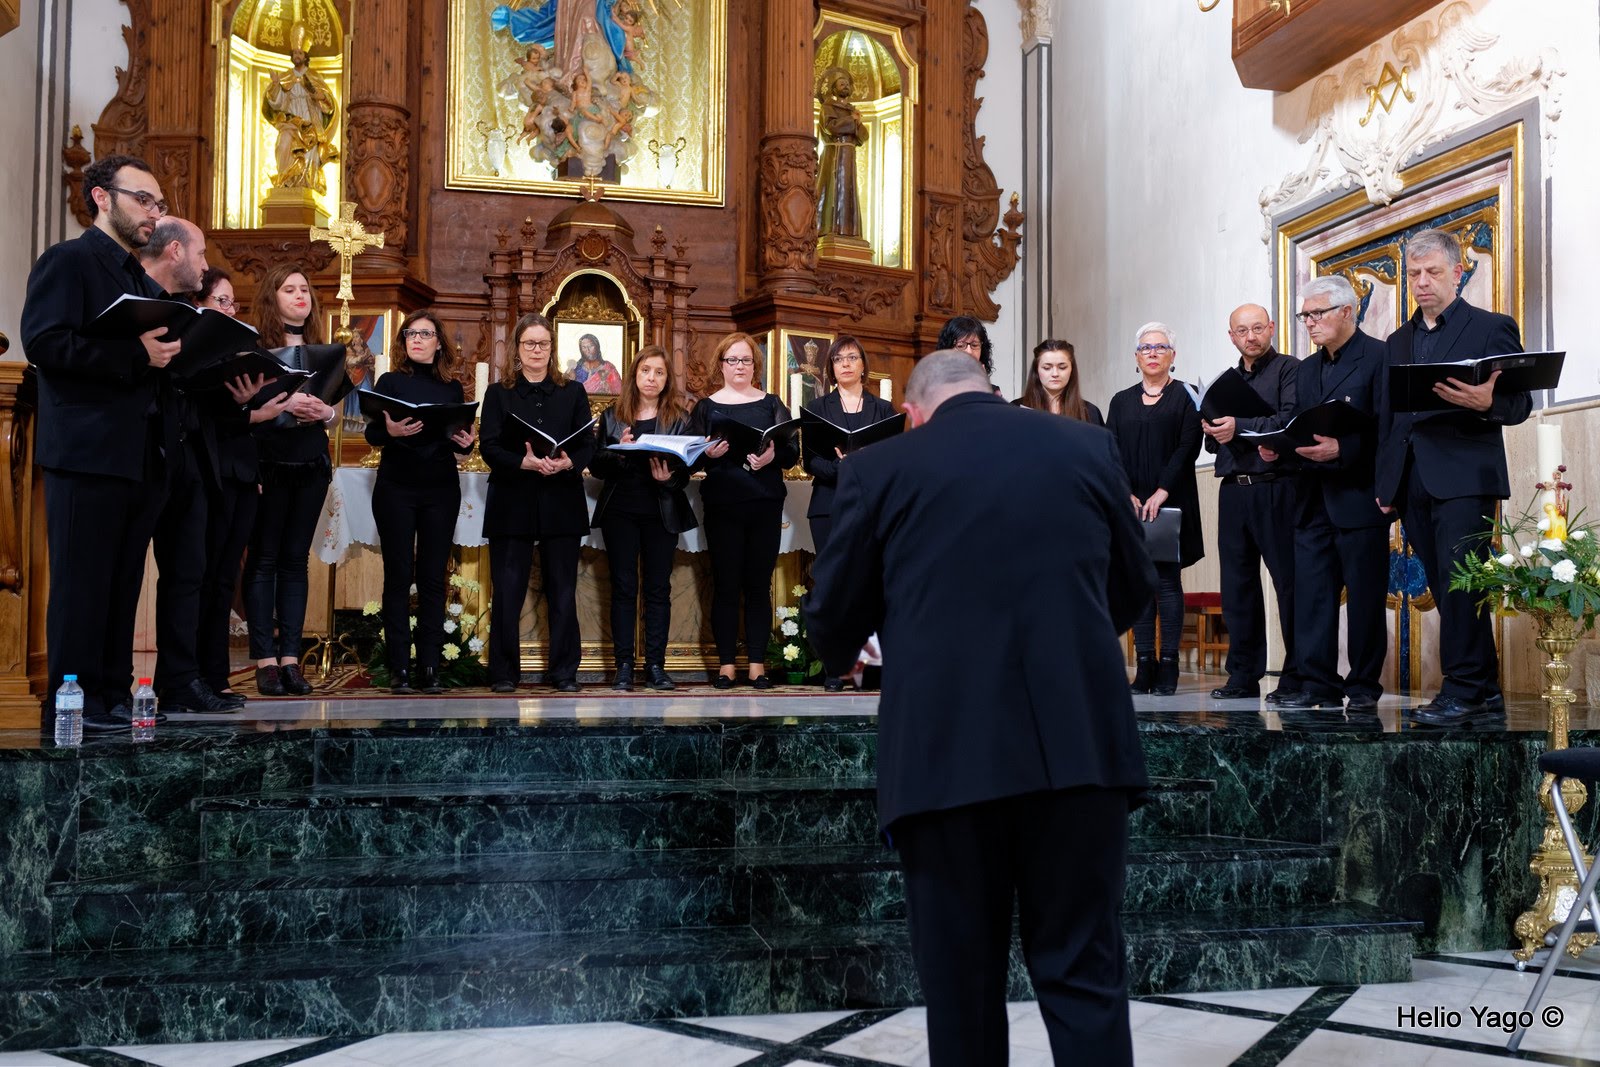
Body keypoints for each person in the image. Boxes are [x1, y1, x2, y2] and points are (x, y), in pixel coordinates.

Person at [804, 350, 1155, 1067]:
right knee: (1085, 972)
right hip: (1080, 749)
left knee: (962, 988)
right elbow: (1134, 585)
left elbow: (831, 623)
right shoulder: (1087, 444)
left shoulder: (882, 467)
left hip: (945, 759)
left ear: (913, 411)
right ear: (993, 391)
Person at [21, 154, 174, 732]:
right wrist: (135, 355)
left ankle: (111, 694)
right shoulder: (69, 261)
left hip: (134, 454)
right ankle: (72, 701)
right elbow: (46, 344)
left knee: (120, 585)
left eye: (158, 204)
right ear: (102, 198)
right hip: (86, 450)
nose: (153, 214)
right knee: (82, 585)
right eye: (143, 200)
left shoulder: (137, 277)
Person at [1375, 228, 1531, 726]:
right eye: (1414, 274)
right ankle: (1482, 687)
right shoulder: (1397, 340)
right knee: (1446, 588)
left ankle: (1461, 690)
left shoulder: (1491, 327)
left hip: (1466, 477)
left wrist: (1491, 403)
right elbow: (1389, 417)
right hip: (1412, 480)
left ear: (1457, 274)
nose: (1422, 282)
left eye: (1433, 272)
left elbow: (1520, 402)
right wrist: (1386, 485)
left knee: (1464, 585)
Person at [1256, 277, 1393, 713]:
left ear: (1348, 312)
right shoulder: (1309, 368)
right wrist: (1278, 448)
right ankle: (1318, 683)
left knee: (1366, 599)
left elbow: (1390, 431)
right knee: (1313, 596)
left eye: (1317, 314)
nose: (1309, 323)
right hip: (1312, 497)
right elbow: (1301, 424)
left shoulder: (1379, 357)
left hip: (1359, 495)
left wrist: (1344, 448)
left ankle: (1364, 686)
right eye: (1305, 315)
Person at [135, 217, 242, 714]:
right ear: (175, 252)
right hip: (142, 450)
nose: (205, 265)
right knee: (125, 572)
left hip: (192, 452)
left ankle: (182, 679)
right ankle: (116, 686)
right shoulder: (136, 297)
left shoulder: (187, 313)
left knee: (189, 574)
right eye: (201, 256)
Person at [480, 312, 595, 693]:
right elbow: (490, 446)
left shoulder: (573, 392)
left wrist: (569, 462)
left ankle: (564, 672)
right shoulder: (499, 393)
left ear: (552, 348)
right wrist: (522, 462)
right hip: (513, 499)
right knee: (508, 589)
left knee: (563, 590)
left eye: (543, 344)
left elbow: (587, 444)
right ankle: (503, 673)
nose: (536, 350)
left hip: (561, 499)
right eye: (529, 343)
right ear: (517, 348)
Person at [365, 310, 475, 694]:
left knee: (432, 579)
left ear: (438, 342)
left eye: (425, 333)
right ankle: (399, 668)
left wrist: (467, 442)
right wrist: (389, 429)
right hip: (396, 487)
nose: (416, 339)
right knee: (398, 577)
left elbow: (460, 435)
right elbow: (372, 434)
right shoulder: (390, 381)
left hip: (440, 488)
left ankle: (430, 667)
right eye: (411, 333)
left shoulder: (452, 389)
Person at [244, 265, 341, 697]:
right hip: (268, 458)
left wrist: (327, 413)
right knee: (264, 558)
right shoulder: (255, 348)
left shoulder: (323, 352)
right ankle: (265, 660)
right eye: (289, 289)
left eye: (304, 289)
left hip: (310, 460)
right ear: (273, 297)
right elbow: (245, 410)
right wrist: (284, 406)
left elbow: (336, 405)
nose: (300, 296)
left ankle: (290, 660)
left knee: (296, 561)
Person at [1201, 303, 1302, 703]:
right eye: (1241, 331)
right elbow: (1212, 441)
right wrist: (1212, 427)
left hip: (1276, 486)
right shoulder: (1224, 384)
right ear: (1231, 336)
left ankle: (1295, 676)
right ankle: (1243, 676)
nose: (1250, 337)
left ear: (1271, 328)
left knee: (1288, 584)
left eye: (1257, 328)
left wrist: (1239, 426)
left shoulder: (1289, 370)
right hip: (1232, 490)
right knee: (1237, 587)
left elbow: (1290, 419)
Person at [689, 332, 798, 689]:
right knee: (725, 585)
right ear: (721, 365)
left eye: (746, 360)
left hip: (764, 501)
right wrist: (709, 454)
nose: (739, 366)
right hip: (723, 503)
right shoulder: (706, 407)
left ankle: (756, 664)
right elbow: (688, 457)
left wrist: (772, 455)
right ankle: (725, 665)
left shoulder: (770, 403)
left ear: (756, 365)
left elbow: (791, 452)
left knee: (757, 585)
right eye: (732, 360)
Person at [194, 267, 283, 707]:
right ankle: (198, 676)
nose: (230, 309)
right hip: (212, 472)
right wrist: (252, 411)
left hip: (245, 473)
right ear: (200, 306)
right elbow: (208, 417)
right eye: (221, 302)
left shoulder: (239, 348)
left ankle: (217, 677)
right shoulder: (198, 353)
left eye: (233, 303)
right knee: (206, 577)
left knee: (226, 577)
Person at [590, 345, 695, 692]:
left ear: (667, 380)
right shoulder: (613, 415)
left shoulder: (678, 418)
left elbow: (686, 469)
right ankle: (623, 666)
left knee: (658, 589)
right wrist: (617, 449)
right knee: (623, 587)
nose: (652, 378)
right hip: (621, 510)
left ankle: (655, 665)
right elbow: (596, 464)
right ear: (635, 374)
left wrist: (670, 479)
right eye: (646, 371)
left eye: (659, 373)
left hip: (660, 511)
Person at [1107, 323, 1203, 696]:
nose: (1152, 352)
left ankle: (1169, 666)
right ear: (1136, 357)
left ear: (1172, 356)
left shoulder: (1186, 396)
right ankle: (1144, 664)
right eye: (1145, 347)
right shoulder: (1120, 401)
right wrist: (1126, 491)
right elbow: (1110, 448)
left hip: (1172, 502)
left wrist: (1162, 490)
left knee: (1166, 583)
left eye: (1160, 347)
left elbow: (1187, 447)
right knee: (1139, 584)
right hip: (1130, 505)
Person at [802, 336, 895, 692]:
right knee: (833, 586)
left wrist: (863, 464)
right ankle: (836, 668)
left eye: (852, 357)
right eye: (838, 359)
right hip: (828, 504)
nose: (845, 364)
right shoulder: (818, 408)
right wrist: (845, 468)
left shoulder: (883, 409)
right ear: (831, 368)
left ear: (862, 365)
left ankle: (868, 668)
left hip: (872, 508)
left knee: (871, 585)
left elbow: (891, 458)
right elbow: (810, 461)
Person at [1014, 339, 1104, 425]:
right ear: (1036, 370)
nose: (1055, 374)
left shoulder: (1089, 411)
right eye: (1047, 368)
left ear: (1072, 370)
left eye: (1062, 367)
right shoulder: (1016, 408)